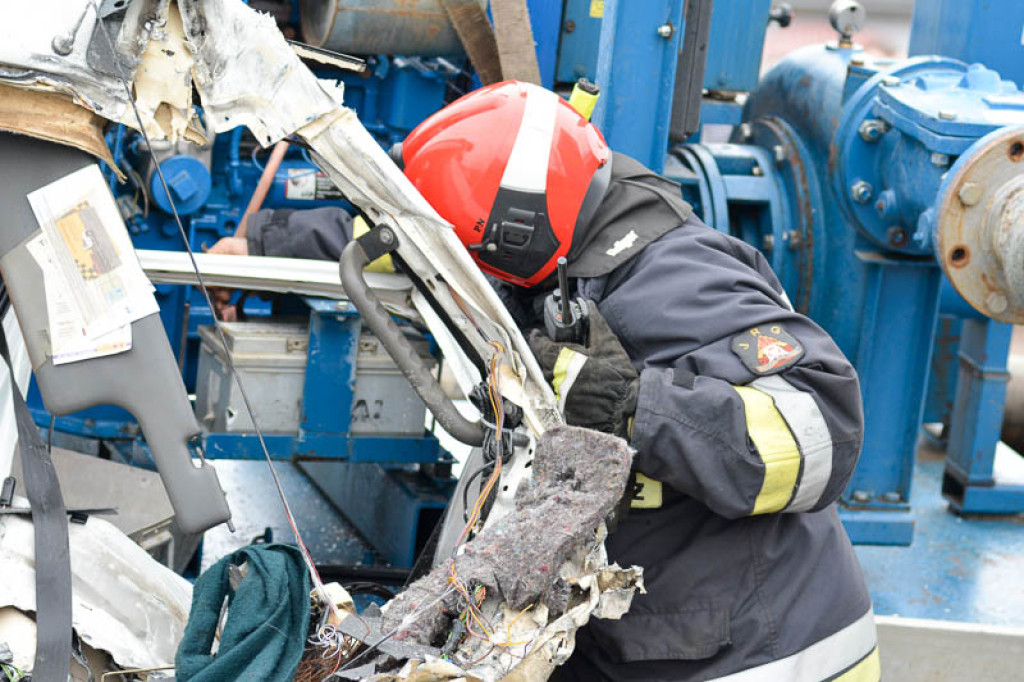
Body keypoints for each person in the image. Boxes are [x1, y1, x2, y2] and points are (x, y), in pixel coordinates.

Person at [210, 81, 879, 681]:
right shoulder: (557, 254)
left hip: (763, 656)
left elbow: (827, 433)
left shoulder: (677, 282)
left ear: (515, 240)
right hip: (641, 634)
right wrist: (266, 243)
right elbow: (423, 240)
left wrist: (635, 407)